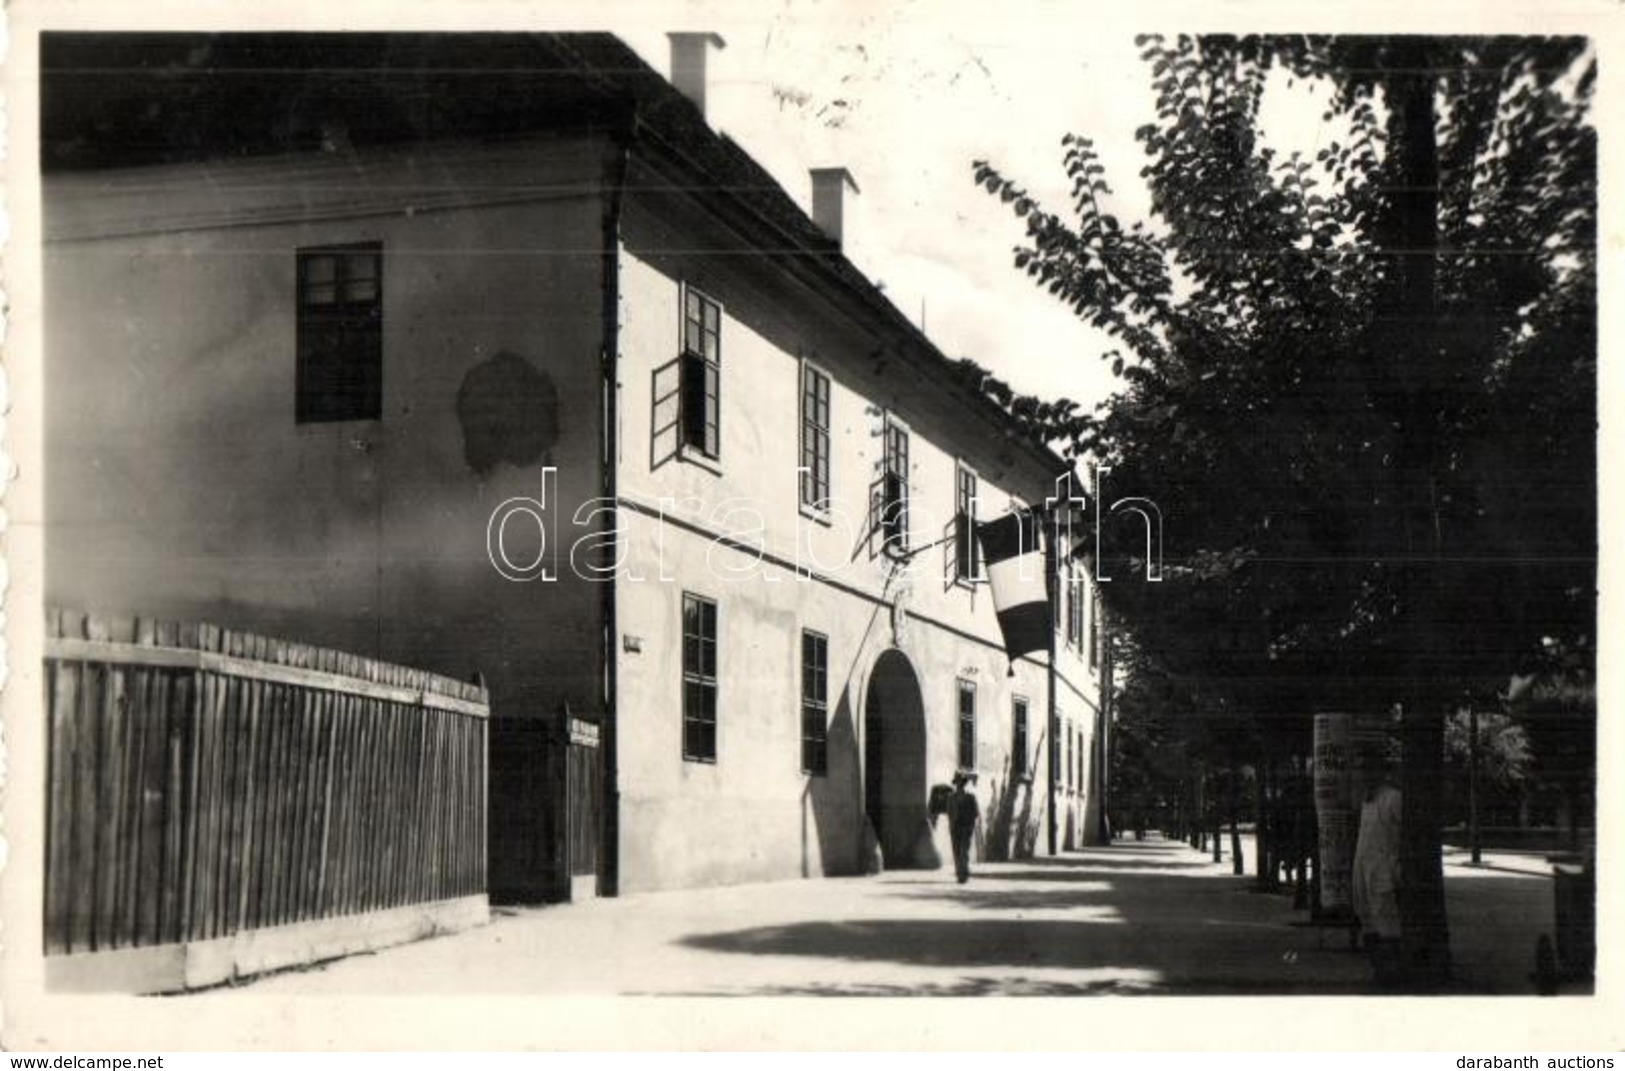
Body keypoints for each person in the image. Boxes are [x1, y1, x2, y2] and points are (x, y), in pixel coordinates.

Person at [1351, 749, 1403, 985]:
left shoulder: (1393, 798)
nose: (1364, 777)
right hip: (1364, 871)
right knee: (1368, 921)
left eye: (1368, 771)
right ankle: (1377, 970)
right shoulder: (1367, 801)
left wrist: (1396, 868)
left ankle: (1389, 973)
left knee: (1387, 924)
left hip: (1384, 871)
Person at [949, 771, 981, 884]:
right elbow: (949, 812)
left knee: (964, 850)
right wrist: (952, 823)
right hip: (955, 827)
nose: (959, 785)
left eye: (961, 783)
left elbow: (976, 813)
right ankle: (959, 873)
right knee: (957, 851)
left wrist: (970, 823)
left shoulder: (970, 798)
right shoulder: (951, 798)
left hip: (966, 827)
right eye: (958, 783)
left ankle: (964, 873)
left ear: (964, 784)